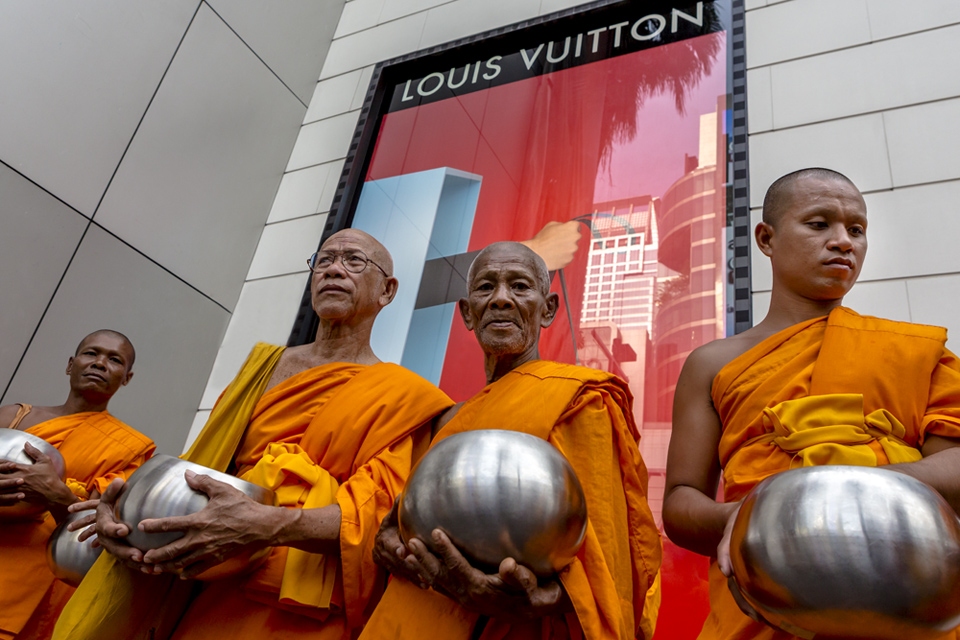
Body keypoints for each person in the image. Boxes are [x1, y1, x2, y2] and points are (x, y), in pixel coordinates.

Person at [53, 229, 454, 640]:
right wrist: (129, 511)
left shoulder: (404, 397)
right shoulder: (261, 368)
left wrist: (264, 524)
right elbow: (203, 468)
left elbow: (375, 516)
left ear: (387, 291)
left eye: (353, 261)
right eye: (325, 259)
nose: (334, 269)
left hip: (301, 602)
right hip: (210, 581)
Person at [661, 168, 960, 640]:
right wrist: (749, 516)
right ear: (766, 238)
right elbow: (680, 501)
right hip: (764, 591)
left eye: (856, 229)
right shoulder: (713, 363)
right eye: (819, 224)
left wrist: (837, 496)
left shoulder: (915, 350)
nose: (843, 241)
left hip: (901, 594)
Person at [359, 242, 663, 640]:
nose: (501, 299)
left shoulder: (580, 401)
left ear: (548, 308)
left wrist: (532, 599)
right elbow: (402, 521)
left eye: (519, 286)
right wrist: (387, 544)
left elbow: (608, 565)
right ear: (468, 313)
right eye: (486, 288)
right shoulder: (447, 418)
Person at [0, 330, 155, 640]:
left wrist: (55, 495)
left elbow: (93, 536)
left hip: (30, 580)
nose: (100, 363)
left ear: (127, 377)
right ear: (70, 364)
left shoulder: (129, 447)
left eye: (114, 360)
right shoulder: (13, 416)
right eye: (91, 353)